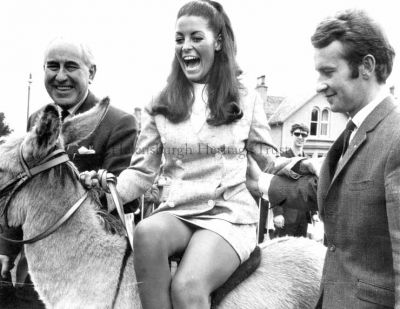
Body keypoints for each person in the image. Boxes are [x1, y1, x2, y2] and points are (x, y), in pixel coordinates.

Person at [81, 1, 315, 308]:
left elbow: (266, 157)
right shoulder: (160, 103)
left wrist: (301, 164)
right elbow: (141, 172)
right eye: (179, 39)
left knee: (187, 288)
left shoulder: (244, 98)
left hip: (228, 216)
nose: (186, 46)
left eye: (196, 37)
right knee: (146, 232)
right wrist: (99, 198)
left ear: (217, 41)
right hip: (178, 211)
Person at [0, 37, 138, 308]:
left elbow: (125, 196)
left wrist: (90, 186)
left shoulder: (119, 123)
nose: (60, 76)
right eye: (53, 66)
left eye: (71, 66)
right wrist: (6, 250)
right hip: (36, 272)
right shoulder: (38, 120)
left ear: (91, 73)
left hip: (93, 278)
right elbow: (21, 189)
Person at [311, 10, 398, 308]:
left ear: (367, 66)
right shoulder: (350, 134)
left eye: (328, 72)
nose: (319, 85)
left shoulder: (396, 138)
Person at [272, 123, 319, 238]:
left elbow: (310, 188)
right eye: (297, 134)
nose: (300, 137)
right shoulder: (282, 158)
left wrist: (313, 212)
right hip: (286, 215)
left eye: (304, 135)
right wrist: (277, 213)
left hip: (303, 216)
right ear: (291, 135)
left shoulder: (308, 160)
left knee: (299, 251)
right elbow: (274, 186)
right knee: (284, 251)